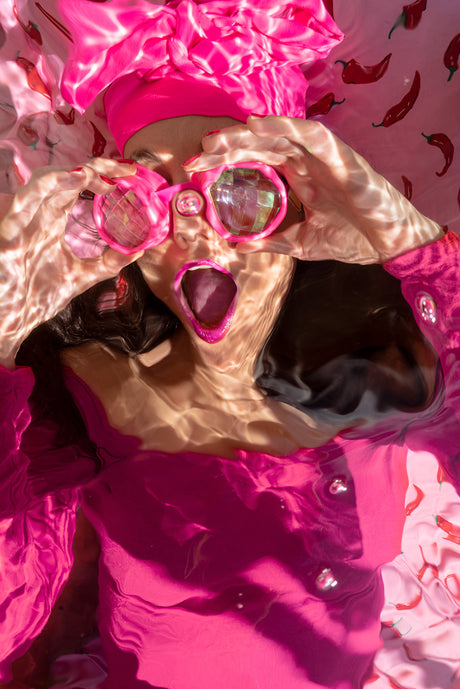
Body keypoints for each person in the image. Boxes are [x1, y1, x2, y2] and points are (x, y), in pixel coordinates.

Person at [0, 1, 459, 688]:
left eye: (239, 194)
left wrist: (411, 248)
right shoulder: (87, 375)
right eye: (151, 201)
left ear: (301, 214)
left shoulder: (376, 350)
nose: (197, 232)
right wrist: (4, 331)